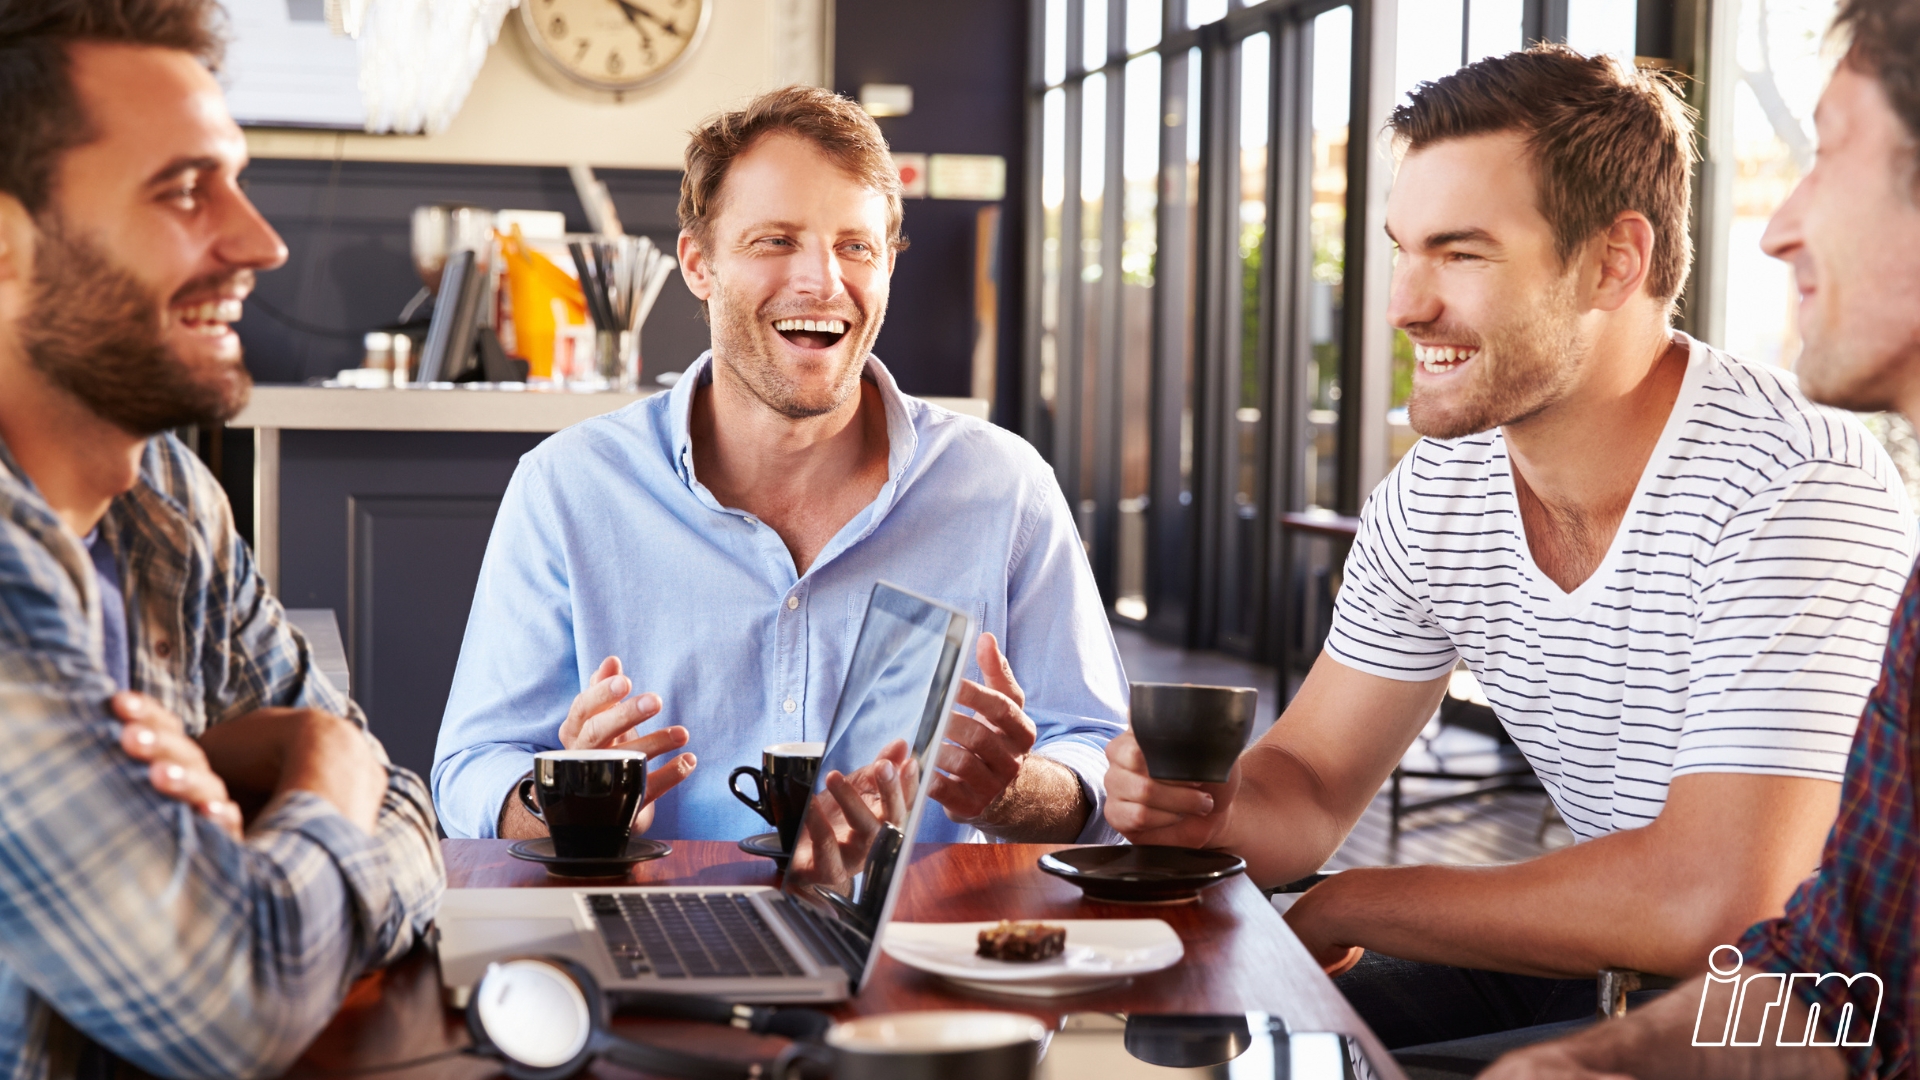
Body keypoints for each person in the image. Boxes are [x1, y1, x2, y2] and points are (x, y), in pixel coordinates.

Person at [1102, 44, 1915, 1057]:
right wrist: (1203, 809)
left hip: (1798, 1005)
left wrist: (1351, 904)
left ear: (1614, 262)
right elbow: (1306, 786)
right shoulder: (1437, 495)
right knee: (1204, 1043)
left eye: (1460, 253)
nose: (1403, 303)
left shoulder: (1791, 484)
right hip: (1600, 954)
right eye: (1403, 248)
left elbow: (1718, 897)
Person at [433, 86, 1125, 846]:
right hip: (656, 932)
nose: (822, 281)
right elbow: (472, 768)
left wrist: (1012, 793)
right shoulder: (566, 487)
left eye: (855, 246)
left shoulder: (1005, 488)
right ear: (698, 264)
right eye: (775, 241)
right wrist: (564, 799)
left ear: (888, 265)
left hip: (915, 948)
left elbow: (1096, 754)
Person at [0, 0, 445, 1075]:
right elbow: (235, 1002)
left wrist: (277, 809)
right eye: (185, 190)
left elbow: (411, 813)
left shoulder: (170, 495)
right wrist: (315, 767)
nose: (262, 241)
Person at [1487, 2, 1920, 1076]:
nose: (1778, 227)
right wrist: (1597, 1065)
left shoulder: (1805, 476)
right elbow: (1834, 985)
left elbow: (1728, 909)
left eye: (1830, 152)